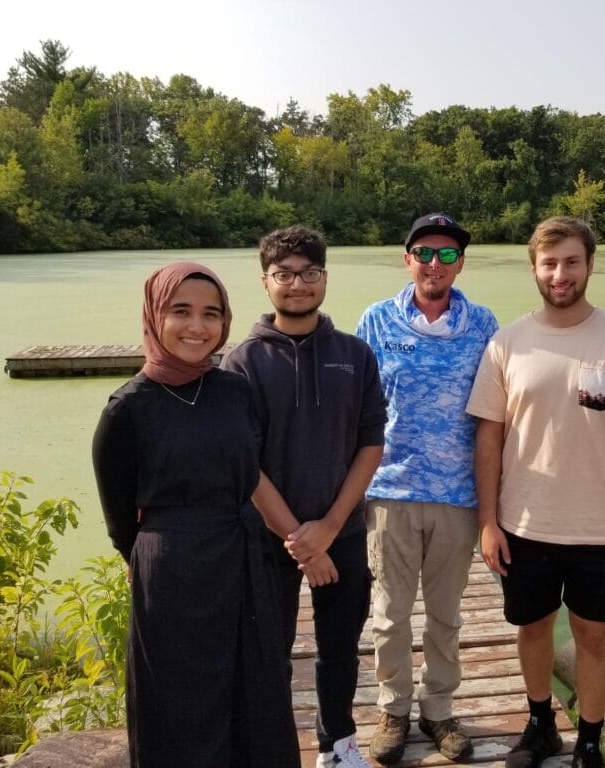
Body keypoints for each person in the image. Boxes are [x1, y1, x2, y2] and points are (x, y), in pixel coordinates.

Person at [466, 216, 605, 768]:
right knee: (532, 628)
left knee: (593, 635)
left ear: (590, 265)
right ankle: (539, 724)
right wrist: (488, 520)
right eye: (549, 263)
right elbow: (489, 437)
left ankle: (589, 741)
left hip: (602, 526)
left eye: (572, 261)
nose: (561, 274)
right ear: (534, 268)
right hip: (524, 522)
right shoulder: (507, 343)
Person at [91, 261, 299, 768]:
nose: (197, 327)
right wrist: (157, 558)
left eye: (211, 313)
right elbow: (120, 521)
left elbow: (249, 473)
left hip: (244, 561)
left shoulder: (234, 390)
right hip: (172, 575)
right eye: (180, 311)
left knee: (257, 694)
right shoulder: (128, 408)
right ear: (154, 316)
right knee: (180, 704)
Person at [222, 226, 387, 768]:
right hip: (268, 538)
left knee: (340, 648)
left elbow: (370, 443)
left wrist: (330, 531)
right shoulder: (242, 362)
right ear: (265, 280)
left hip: (342, 531)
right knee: (268, 652)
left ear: (324, 278)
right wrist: (300, 540)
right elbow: (243, 462)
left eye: (309, 273)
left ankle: (337, 746)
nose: (298, 284)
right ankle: (270, 750)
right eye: (285, 274)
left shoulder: (355, 354)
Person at [355, 213, 499, 764]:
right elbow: (359, 406)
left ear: (460, 262)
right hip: (389, 490)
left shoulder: (483, 324)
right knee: (389, 612)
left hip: (458, 496)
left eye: (446, 254)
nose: (434, 263)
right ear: (406, 257)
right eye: (424, 252)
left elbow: (498, 415)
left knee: (445, 613)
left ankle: (438, 710)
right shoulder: (376, 320)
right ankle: (393, 709)